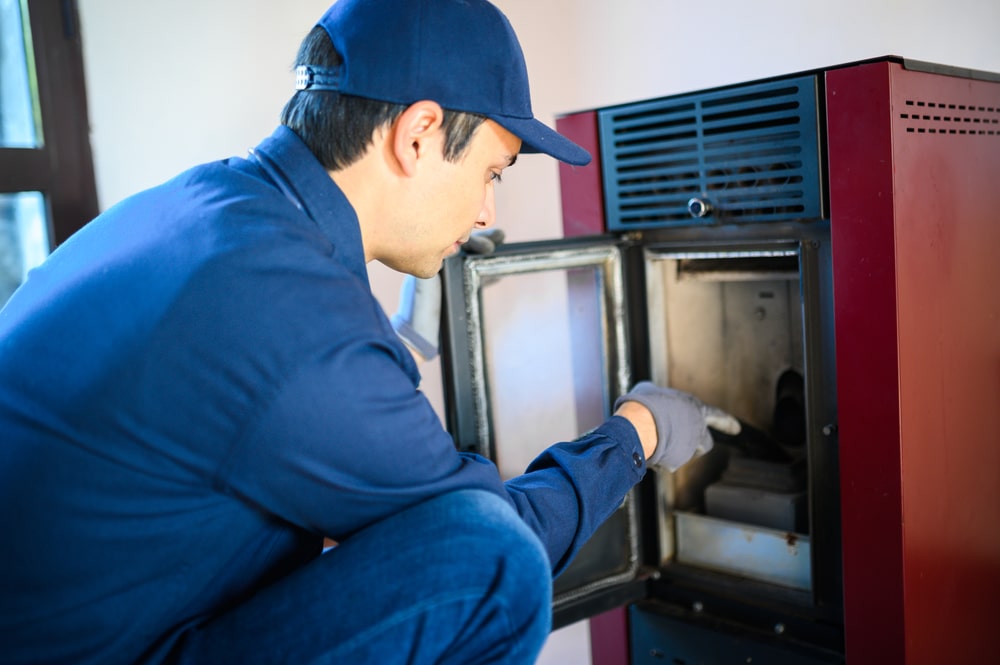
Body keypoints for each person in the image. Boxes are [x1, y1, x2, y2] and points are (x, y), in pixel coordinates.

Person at [0, 1, 734, 663]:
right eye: (493, 172)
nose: (484, 211)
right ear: (419, 134)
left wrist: (404, 335)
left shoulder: (211, 207)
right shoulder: (288, 309)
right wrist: (634, 434)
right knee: (496, 563)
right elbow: (491, 537)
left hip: (92, 622)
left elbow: (256, 405)